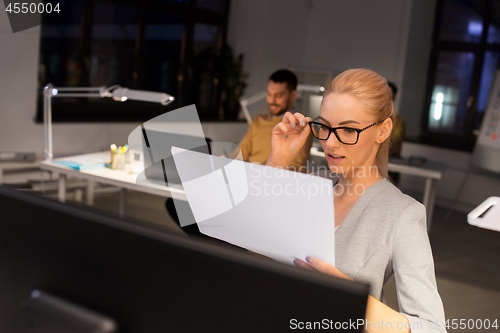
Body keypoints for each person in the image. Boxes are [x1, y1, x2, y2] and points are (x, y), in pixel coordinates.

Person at [266, 69, 446, 332]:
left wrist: (351, 297)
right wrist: (279, 160)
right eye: (325, 127)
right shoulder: (312, 186)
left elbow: (433, 328)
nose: (330, 142)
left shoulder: (402, 214)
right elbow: (257, 233)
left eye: (348, 129)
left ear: (383, 130)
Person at [237, 69, 312, 172]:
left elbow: (296, 168)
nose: (271, 101)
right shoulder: (258, 121)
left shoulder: (301, 126)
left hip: (275, 181)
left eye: (278, 95)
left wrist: (267, 170)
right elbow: (241, 153)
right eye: (269, 94)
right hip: (249, 177)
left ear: (293, 95)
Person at [387, 81, 405, 184]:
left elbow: (395, 145)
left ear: (394, 98)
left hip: (390, 165)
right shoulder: (368, 117)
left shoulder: (398, 122)